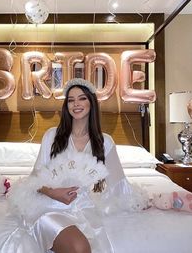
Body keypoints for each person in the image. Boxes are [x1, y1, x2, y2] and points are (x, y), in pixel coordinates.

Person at [28, 78, 131, 253]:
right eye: (71, 100)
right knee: (80, 247)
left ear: (91, 102)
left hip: (85, 208)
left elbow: (119, 185)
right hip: (50, 206)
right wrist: (53, 192)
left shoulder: (104, 142)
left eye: (82, 98)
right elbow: (35, 178)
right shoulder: (52, 136)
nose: (76, 104)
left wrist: (143, 201)